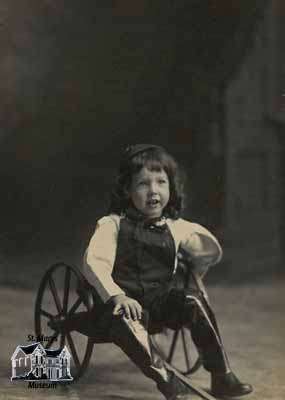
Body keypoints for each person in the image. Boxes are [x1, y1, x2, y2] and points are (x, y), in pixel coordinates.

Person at [83, 144, 252, 400]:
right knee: (126, 319)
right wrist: (117, 296)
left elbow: (207, 251)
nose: (153, 191)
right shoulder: (112, 225)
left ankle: (221, 375)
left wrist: (194, 271)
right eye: (142, 184)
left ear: (170, 189)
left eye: (161, 182)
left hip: (158, 301)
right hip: (121, 305)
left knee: (193, 302)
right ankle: (168, 381)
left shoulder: (176, 227)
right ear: (127, 190)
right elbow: (94, 263)